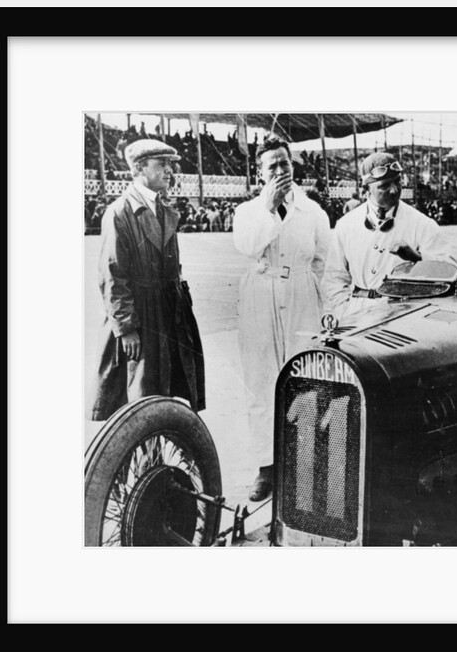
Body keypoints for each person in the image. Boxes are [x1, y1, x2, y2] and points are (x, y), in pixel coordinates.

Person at [233, 136, 331, 502]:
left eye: (284, 163)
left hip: (302, 293)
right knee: (261, 381)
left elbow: (323, 262)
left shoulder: (314, 212)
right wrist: (269, 208)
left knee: (306, 378)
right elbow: (247, 246)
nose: (279, 170)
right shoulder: (248, 211)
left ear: (293, 167)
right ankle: (267, 467)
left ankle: (306, 463)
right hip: (261, 292)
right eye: (271, 165)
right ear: (259, 172)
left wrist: (321, 303)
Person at [89, 139, 206, 420]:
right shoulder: (119, 212)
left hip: (169, 313)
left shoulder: (163, 208)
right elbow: (112, 275)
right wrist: (126, 328)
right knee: (139, 398)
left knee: (167, 394)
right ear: (140, 168)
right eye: (162, 164)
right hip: (141, 316)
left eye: (170, 164)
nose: (170, 170)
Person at [323, 152, 455, 321]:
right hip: (356, 315)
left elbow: (448, 271)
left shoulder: (422, 224)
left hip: (404, 315)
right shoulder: (346, 225)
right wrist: (344, 310)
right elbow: (334, 278)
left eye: (398, 182)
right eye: (384, 186)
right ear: (366, 189)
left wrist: (417, 258)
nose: (394, 190)